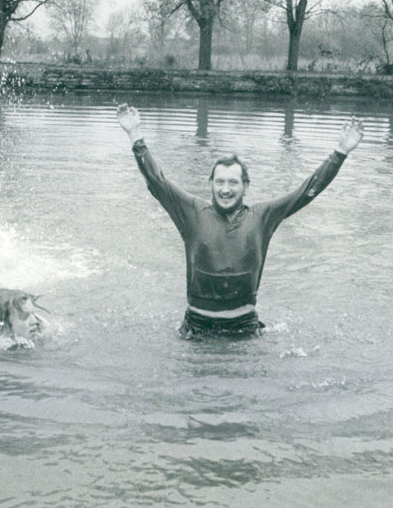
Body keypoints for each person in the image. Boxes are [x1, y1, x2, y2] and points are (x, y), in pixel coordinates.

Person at [116, 104, 364, 338]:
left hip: (244, 327)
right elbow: (157, 182)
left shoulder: (263, 217)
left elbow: (307, 191)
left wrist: (340, 152)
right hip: (196, 327)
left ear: (245, 186)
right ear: (211, 184)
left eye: (233, 182)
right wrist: (135, 135)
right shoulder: (192, 212)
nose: (225, 189)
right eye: (220, 182)